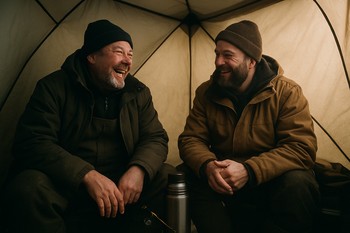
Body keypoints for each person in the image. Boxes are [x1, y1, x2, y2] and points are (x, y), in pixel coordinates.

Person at [3, 19, 176, 233]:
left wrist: (138, 169)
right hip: (68, 185)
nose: (127, 61)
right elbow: (31, 141)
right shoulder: (53, 88)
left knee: (169, 177)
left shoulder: (138, 92)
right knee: (28, 187)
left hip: (121, 185)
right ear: (92, 56)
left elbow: (155, 137)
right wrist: (86, 175)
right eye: (119, 52)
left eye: (130, 54)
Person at [178, 20, 320, 233]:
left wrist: (250, 170)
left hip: (269, 178)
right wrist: (208, 166)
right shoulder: (206, 92)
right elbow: (190, 139)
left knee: (298, 181)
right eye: (217, 54)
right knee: (183, 174)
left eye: (228, 55)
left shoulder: (287, 92)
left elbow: (301, 147)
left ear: (251, 61)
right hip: (223, 178)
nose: (218, 62)